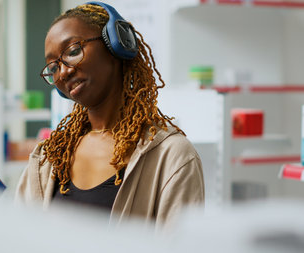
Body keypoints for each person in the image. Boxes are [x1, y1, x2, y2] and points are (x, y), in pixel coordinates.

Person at [15, 2, 204, 229]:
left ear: (116, 44)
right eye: (53, 67)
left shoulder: (173, 156)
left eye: (73, 51)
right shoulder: (48, 157)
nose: (63, 71)